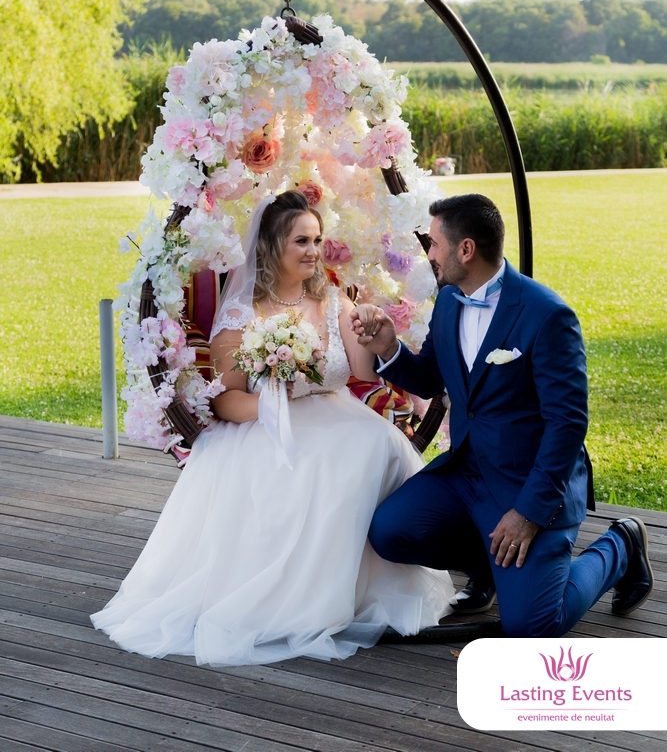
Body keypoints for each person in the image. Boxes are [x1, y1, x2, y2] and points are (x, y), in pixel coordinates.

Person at [91, 191, 454, 665]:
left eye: (317, 240)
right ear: (270, 246)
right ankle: (305, 601)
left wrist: (370, 329)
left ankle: (363, 589)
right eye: (301, 241)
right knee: (322, 462)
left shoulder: (332, 301)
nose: (313, 251)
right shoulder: (242, 315)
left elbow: (361, 370)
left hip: (339, 413)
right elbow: (224, 400)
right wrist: (272, 405)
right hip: (265, 423)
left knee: (376, 444)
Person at [351, 194, 654, 638]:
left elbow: (568, 423)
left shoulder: (547, 315)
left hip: (526, 482)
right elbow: (432, 378)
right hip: (467, 473)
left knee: (532, 627)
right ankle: (490, 566)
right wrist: (388, 349)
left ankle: (620, 547)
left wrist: (528, 512)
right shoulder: (449, 300)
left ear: (466, 249)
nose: (429, 254)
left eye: (434, 244)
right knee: (390, 532)